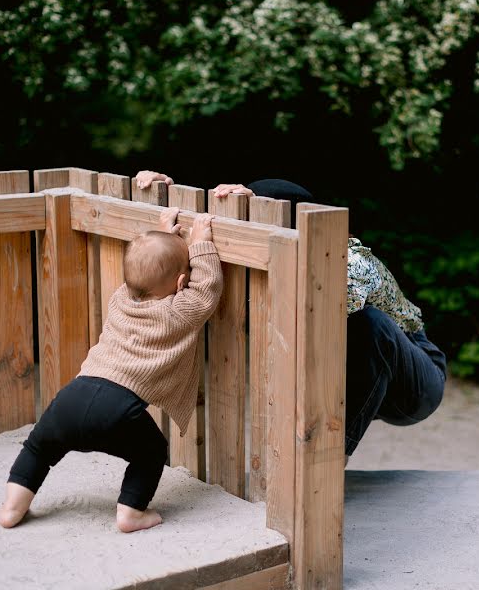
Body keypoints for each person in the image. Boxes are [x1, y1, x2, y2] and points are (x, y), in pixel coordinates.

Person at [136, 171, 446, 460]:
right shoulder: (264, 262)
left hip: (413, 379)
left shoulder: (350, 257)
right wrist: (161, 192)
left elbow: (317, 310)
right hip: (350, 370)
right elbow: (194, 249)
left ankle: (328, 461)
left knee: (370, 323)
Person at [0, 208, 223, 532]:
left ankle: (11, 508)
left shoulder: (120, 300)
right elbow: (206, 292)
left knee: (38, 447)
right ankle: (131, 512)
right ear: (181, 281)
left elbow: (144, 275)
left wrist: (162, 235)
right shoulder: (177, 311)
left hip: (71, 398)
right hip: (118, 409)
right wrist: (200, 245)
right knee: (152, 451)